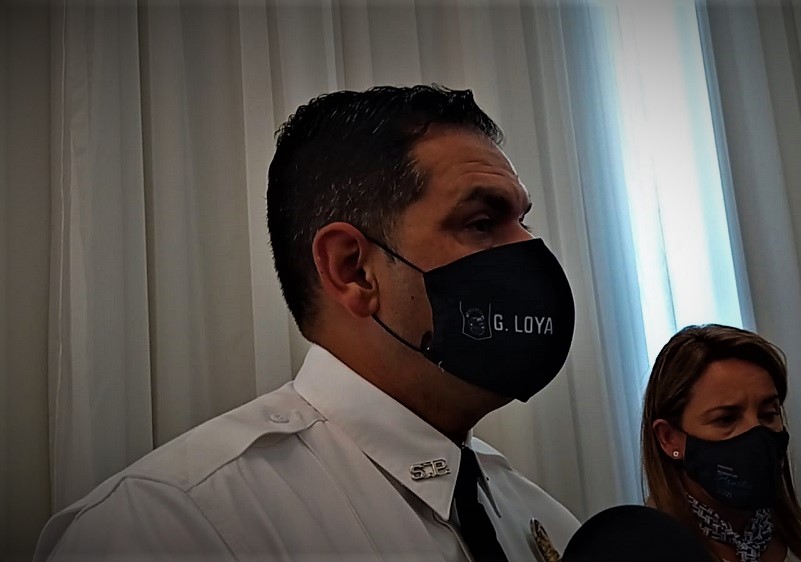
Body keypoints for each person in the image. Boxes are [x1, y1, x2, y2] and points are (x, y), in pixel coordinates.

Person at [34, 85, 580, 561]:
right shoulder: (170, 526)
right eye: (482, 223)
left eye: (524, 222)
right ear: (353, 270)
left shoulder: (546, 521)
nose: (531, 252)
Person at [641, 324, 801, 562]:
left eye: (768, 414)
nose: (756, 433)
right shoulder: (641, 551)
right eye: (726, 419)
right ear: (669, 438)